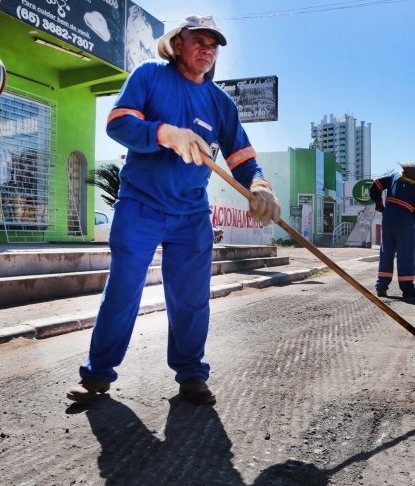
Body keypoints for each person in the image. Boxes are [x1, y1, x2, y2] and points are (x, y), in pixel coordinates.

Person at [67, 15, 280, 406]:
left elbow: (244, 158)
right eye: (198, 40)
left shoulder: (220, 103)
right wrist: (165, 133)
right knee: (123, 292)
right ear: (177, 44)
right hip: (140, 206)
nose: (207, 49)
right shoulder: (149, 76)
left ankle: (191, 373)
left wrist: (260, 186)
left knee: (191, 298)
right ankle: (97, 375)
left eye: (213, 45)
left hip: (191, 215)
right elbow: (119, 123)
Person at [370, 158, 415, 299]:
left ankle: (381, 287)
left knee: (386, 252)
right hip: (405, 223)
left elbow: (377, 184)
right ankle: (408, 289)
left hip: (387, 221)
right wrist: (409, 225)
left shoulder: (395, 176)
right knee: (406, 255)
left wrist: (378, 201)